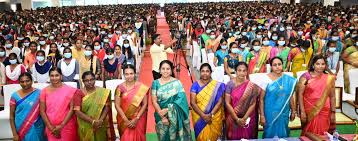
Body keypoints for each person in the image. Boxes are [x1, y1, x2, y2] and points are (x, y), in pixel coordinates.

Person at [151, 60, 191, 140]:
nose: (165, 71)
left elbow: (182, 100)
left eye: (168, 69)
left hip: (176, 116)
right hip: (160, 114)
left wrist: (167, 109)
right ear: (159, 70)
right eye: (163, 69)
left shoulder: (177, 83)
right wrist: (162, 117)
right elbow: (154, 101)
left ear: (171, 70)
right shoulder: (155, 83)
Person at [258, 57, 297, 138]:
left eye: (279, 64)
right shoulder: (265, 79)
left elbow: (290, 97)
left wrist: (293, 111)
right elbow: (261, 99)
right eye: (274, 65)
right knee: (269, 132)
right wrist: (262, 115)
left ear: (282, 65)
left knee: (283, 131)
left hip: (284, 112)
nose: (277, 67)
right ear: (271, 67)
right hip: (269, 113)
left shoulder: (288, 79)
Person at [298, 55, 336, 136]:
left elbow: (332, 96)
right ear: (313, 65)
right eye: (318, 64)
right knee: (309, 133)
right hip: (309, 110)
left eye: (323, 64)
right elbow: (300, 95)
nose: (320, 66)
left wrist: (333, 112)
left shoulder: (329, 78)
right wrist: (302, 112)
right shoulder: (306, 77)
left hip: (325, 110)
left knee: (323, 134)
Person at [74, 71, 115, 141]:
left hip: (100, 124)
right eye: (86, 80)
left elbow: (107, 107)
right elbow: (77, 111)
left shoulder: (103, 92)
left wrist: (100, 120)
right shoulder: (79, 93)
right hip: (86, 124)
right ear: (83, 81)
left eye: (92, 79)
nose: (89, 82)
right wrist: (92, 121)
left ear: (94, 80)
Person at [40, 67, 79, 141]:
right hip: (50, 126)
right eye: (52, 76)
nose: (54, 78)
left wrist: (61, 125)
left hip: (67, 125)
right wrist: (51, 128)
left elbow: (71, 109)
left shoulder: (70, 90)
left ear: (61, 76)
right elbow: (42, 111)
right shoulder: (44, 91)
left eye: (57, 75)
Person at [225, 62, 260, 139]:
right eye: (239, 70)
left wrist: (244, 118)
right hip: (233, 117)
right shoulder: (230, 84)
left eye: (244, 71)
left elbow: (253, 104)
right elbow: (227, 103)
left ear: (247, 72)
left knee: (247, 137)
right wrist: (236, 119)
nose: (242, 73)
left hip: (247, 118)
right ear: (235, 71)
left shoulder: (251, 86)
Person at [190, 63, 225, 141]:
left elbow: (220, 102)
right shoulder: (195, 85)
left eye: (207, 71)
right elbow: (192, 102)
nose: (205, 73)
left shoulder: (217, 86)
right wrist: (203, 116)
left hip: (214, 116)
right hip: (199, 116)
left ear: (210, 72)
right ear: (200, 72)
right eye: (203, 71)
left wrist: (210, 115)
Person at [115, 64, 149, 141]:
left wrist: (137, 118)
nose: (129, 76)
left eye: (131, 73)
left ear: (135, 74)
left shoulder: (141, 87)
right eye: (126, 74)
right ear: (123, 75)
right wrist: (125, 120)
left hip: (139, 118)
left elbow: (145, 104)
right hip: (124, 119)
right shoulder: (119, 88)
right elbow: (117, 105)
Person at [9, 72, 46, 141]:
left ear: (31, 81)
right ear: (19, 82)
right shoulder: (14, 96)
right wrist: (14, 134)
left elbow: (45, 112)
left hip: (37, 128)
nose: (25, 84)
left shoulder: (40, 93)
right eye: (22, 82)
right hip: (21, 128)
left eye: (27, 81)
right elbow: (11, 117)